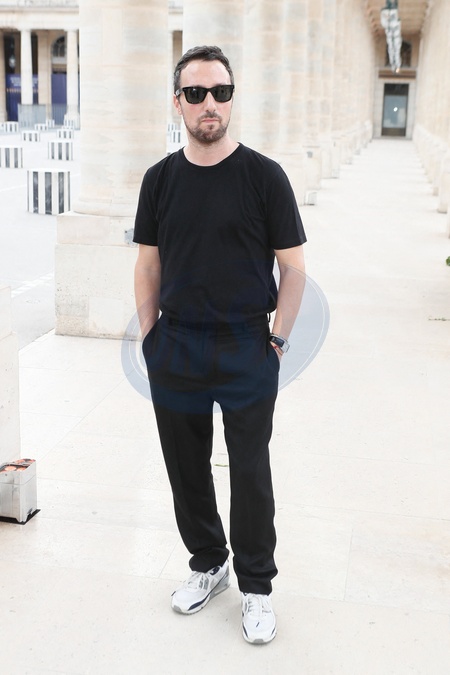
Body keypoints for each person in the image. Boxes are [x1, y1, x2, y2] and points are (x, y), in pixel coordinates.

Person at [133, 45, 306, 645]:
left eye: (221, 92)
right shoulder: (159, 180)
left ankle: (257, 585)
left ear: (232, 99)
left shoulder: (264, 176)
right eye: (197, 93)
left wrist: (276, 340)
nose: (210, 103)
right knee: (185, 467)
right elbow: (148, 265)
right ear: (178, 101)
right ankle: (209, 562)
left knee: (250, 471)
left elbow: (293, 268)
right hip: (176, 344)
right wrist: (150, 338)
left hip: (245, 345)